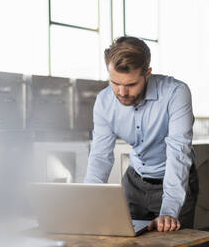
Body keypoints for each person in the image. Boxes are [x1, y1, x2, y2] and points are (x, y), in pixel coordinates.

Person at [84, 36, 198, 232]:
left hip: (174, 182)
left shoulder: (176, 93)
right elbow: (100, 156)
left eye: (131, 85)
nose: (122, 92)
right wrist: (87, 201)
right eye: (114, 83)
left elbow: (178, 153)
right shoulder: (104, 101)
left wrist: (169, 211)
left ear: (147, 74)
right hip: (134, 183)